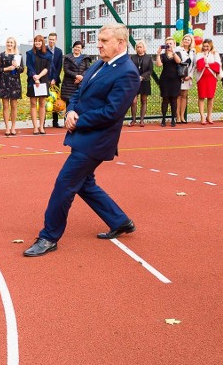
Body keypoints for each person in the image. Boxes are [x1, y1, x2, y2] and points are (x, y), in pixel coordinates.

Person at [23, 23, 141, 257]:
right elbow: (79, 92)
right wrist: (70, 111)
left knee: (65, 184)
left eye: (104, 40)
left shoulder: (128, 72)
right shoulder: (99, 63)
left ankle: (49, 236)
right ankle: (120, 221)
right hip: (83, 135)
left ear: (120, 43)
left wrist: (79, 120)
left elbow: (112, 112)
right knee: (85, 184)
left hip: (96, 141)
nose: (98, 44)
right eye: (99, 39)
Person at [0, 36, 25, 136]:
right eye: (8, 42)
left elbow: (22, 70)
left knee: (14, 106)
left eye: (11, 42)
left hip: (15, 83)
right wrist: (7, 68)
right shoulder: (2, 55)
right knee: (6, 106)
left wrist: (16, 66)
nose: (9, 44)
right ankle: (7, 127)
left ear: (14, 44)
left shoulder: (18, 55)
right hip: (4, 83)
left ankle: (13, 127)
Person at [26, 34, 53, 134]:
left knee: (42, 104)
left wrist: (39, 77)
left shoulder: (48, 54)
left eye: (39, 41)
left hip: (43, 80)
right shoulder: (29, 53)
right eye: (36, 41)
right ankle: (35, 127)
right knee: (33, 104)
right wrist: (35, 77)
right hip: (32, 80)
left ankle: (41, 126)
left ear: (42, 43)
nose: (37, 43)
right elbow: (29, 67)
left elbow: (47, 68)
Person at [62, 40, 91, 121]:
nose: (77, 49)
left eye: (79, 47)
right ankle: (68, 120)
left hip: (81, 83)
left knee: (79, 102)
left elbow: (88, 69)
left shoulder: (86, 58)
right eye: (75, 47)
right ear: (73, 47)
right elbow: (66, 70)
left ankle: (78, 120)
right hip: (69, 84)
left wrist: (81, 77)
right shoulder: (67, 57)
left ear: (81, 49)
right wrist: (76, 76)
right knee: (69, 102)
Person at [155, 36, 181, 127]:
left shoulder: (177, 53)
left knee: (174, 99)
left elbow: (178, 61)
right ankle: (163, 119)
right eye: (167, 44)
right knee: (165, 99)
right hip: (165, 79)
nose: (169, 45)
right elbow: (158, 65)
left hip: (175, 79)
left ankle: (174, 118)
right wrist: (158, 54)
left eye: (171, 43)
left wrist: (173, 51)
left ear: (174, 44)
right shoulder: (162, 55)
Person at [195, 39, 222, 124]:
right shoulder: (199, 54)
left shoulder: (215, 54)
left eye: (207, 46)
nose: (206, 48)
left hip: (211, 78)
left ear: (211, 47)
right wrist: (204, 57)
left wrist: (208, 64)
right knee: (201, 97)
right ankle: (202, 116)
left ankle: (209, 116)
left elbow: (217, 65)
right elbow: (199, 65)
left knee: (210, 97)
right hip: (202, 78)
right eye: (204, 46)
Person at [129, 41, 153, 127]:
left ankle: (142, 120)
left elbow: (150, 70)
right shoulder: (132, 58)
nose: (139, 49)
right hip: (134, 81)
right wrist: (136, 77)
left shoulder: (148, 58)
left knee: (144, 100)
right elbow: (130, 68)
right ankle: (133, 120)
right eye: (138, 47)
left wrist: (142, 77)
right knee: (133, 101)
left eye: (140, 47)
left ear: (144, 48)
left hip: (145, 81)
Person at [175, 34, 196, 124]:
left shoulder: (193, 51)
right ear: (182, 40)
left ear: (191, 42)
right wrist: (181, 75)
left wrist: (190, 76)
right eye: (185, 39)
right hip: (179, 76)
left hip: (188, 77)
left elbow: (194, 65)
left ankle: (182, 116)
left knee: (184, 96)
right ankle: (178, 116)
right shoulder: (177, 49)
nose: (186, 41)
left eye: (188, 40)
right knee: (178, 96)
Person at [47, 32, 64, 128]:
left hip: (55, 79)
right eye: (50, 39)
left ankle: (55, 121)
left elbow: (59, 67)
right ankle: (43, 121)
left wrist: (54, 79)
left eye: (53, 39)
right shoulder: (43, 50)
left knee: (56, 100)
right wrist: (47, 79)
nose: (51, 41)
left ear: (56, 40)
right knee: (44, 100)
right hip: (45, 79)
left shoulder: (59, 51)